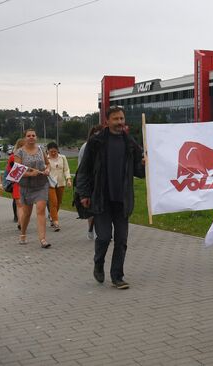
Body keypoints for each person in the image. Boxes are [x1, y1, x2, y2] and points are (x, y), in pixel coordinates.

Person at [76, 106, 145, 289]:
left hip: (122, 200)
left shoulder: (131, 143)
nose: (120, 122)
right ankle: (99, 263)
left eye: (122, 119)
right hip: (101, 199)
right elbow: (83, 171)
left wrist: (144, 163)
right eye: (116, 119)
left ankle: (117, 276)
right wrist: (83, 194)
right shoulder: (96, 142)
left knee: (121, 240)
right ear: (107, 121)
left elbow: (139, 172)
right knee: (104, 237)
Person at [14, 129, 51, 248]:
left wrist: (47, 170)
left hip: (41, 185)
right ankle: (23, 233)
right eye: (28, 136)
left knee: (40, 210)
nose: (31, 137)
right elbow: (16, 173)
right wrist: (30, 174)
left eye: (33, 135)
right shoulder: (19, 152)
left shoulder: (40, 149)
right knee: (27, 213)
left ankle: (43, 239)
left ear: (36, 137)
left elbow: (48, 163)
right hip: (26, 187)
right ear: (25, 138)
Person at [78, 124, 104, 240]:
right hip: (90, 182)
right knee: (92, 208)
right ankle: (91, 228)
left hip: (103, 182)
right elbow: (82, 167)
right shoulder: (86, 146)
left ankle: (103, 230)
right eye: (97, 133)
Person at [46, 142, 72, 231]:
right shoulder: (46, 158)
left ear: (57, 150)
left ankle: (52, 216)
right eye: (51, 151)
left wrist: (68, 179)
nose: (53, 153)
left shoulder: (63, 158)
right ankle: (55, 221)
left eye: (55, 151)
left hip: (61, 183)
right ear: (48, 151)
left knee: (59, 202)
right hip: (50, 184)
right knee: (53, 202)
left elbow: (66, 169)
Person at [6, 138, 25, 230]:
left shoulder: (12, 157)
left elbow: (9, 171)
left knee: (20, 205)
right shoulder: (14, 157)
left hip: (18, 183)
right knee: (21, 204)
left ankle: (20, 222)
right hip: (20, 183)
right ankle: (21, 223)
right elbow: (10, 171)